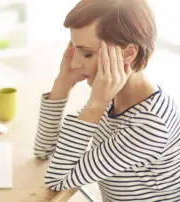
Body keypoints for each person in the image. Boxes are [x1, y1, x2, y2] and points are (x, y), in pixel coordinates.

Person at [33, 0, 180, 201]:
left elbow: (57, 179)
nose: (75, 63)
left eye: (87, 53)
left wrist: (96, 105)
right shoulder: (115, 95)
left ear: (128, 53)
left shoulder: (150, 125)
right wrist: (62, 84)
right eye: (74, 49)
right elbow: (45, 150)